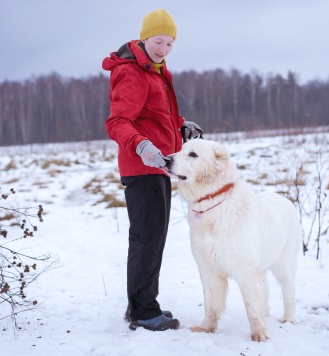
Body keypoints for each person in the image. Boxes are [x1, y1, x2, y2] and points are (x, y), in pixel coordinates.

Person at [102, 9, 203, 332]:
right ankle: (144, 311)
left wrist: (180, 126)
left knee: (153, 238)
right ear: (144, 38)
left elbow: (155, 116)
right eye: (158, 41)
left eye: (170, 44)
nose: (163, 49)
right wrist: (142, 146)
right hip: (141, 166)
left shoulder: (154, 70)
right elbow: (118, 122)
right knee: (147, 238)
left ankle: (142, 303)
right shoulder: (132, 72)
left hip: (159, 166)